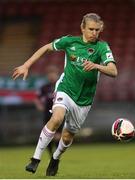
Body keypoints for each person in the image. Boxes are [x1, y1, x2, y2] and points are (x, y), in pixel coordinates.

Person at [12, 13, 118, 176]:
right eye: (91, 29)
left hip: (84, 100)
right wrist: (26, 65)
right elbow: (46, 47)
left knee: (67, 137)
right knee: (56, 118)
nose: (94, 33)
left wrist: (97, 66)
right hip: (65, 89)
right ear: (82, 28)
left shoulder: (102, 47)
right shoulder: (69, 41)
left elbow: (113, 71)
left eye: (97, 30)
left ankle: (55, 159)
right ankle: (35, 159)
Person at [34, 65, 64, 156]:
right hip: (47, 114)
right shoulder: (44, 87)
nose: (51, 76)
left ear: (57, 74)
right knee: (48, 135)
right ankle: (51, 154)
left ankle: (56, 155)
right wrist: (39, 106)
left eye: (53, 74)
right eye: (49, 74)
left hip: (59, 113)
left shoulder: (61, 86)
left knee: (58, 136)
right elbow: (36, 98)